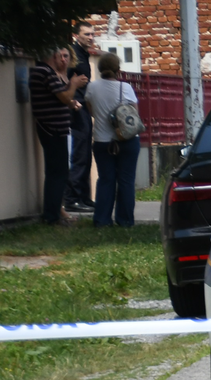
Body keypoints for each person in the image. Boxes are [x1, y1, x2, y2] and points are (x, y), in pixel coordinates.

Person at [29, 48, 86, 225]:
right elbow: (64, 96)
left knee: (57, 172)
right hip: (51, 129)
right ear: (53, 56)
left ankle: (53, 212)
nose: (62, 59)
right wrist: (74, 84)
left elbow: (61, 98)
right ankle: (52, 216)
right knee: (58, 173)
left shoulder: (47, 72)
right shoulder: (44, 72)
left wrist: (70, 100)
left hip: (56, 128)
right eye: (59, 55)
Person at [85, 51, 141, 227]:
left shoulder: (92, 87)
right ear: (118, 69)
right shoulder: (126, 88)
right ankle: (125, 220)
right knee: (126, 181)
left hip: (102, 141)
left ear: (100, 68)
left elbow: (90, 110)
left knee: (105, 180)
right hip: (127, 141)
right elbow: (134, 115)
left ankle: (102, 220)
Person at [66, 23, 98, 210]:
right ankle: (72, 199)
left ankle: (84, 197)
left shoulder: (84, 54)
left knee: (86, 153)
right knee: (79, 154)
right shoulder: (72, 54)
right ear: (76, 35)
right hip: (76, 108)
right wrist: (72, 100)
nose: (90, 37)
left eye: (92, 34)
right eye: (86, 34)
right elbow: (65, 80)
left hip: (84, 107)